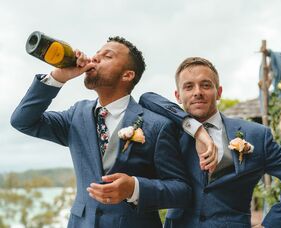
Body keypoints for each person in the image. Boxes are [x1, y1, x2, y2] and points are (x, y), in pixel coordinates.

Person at [10, 36, 198, 228]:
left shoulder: (157, 125)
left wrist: (135, 188)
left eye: (107, 56)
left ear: (127, 75)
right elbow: (23, 121)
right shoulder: (77, 115)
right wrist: (59, 76)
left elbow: (182, 191)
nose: (94, 58)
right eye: (96, 53)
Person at [139, 57, 281, 228]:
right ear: (177, 96)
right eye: (188, 87)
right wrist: (197, 130)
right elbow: (147, 98)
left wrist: (272, 224)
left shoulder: (255, 135)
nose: (197, 92)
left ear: (219, 92)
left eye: (206, 85)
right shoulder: (170, 131)